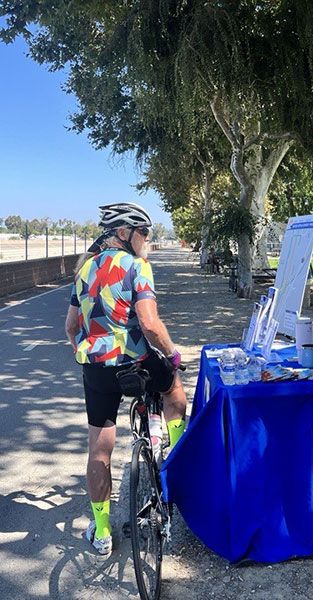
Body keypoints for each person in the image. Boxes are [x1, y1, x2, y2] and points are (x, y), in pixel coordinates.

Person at [64, 202, 188, 556]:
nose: (147, 238)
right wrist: (173, 355)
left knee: (99, 449)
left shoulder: (83, 270)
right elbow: (149, 325)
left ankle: (102, 531)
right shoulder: (137, 266)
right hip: (135, 363)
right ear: (124, 233)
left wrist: (83, 353)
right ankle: (177, 458)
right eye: (144, 232)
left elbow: (71, 328)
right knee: (173, 388)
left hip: (95, 368)